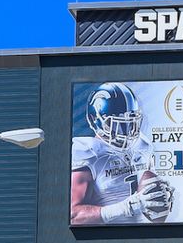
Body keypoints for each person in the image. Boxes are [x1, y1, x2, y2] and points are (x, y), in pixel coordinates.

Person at [71, 82, 175, 226]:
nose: (126, 130)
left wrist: (160, 194)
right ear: (96, 119)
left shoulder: (142, 144)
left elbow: (148, 187)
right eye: (118, 123)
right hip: (104, 240)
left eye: (130, 122)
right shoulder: (88, 152)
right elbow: (74, 216)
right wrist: (125, 208)